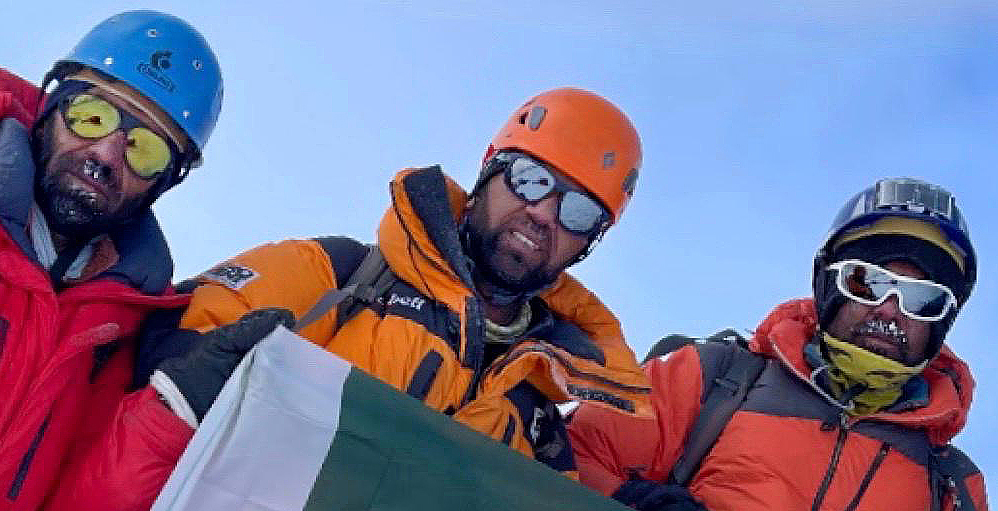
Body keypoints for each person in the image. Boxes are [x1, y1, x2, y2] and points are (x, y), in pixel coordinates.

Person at [141, 87, 652, 488]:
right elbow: (168, 348)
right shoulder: (341, 277)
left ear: (589, 242)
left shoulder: (539, 423)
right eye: (529, 178)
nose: (542, 213)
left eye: (578, 211)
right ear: (489, 167)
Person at [568, 178, 988, 511]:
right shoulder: (713, 378)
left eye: (922, 299)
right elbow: (568, 456)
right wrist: (630, 501)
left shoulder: (951, 485)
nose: (890, 309)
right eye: (867, 282)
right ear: (829, 286)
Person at [0, 10, 222, 511]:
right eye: (93, 116)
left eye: (144, 150)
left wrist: (170, 413)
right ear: (51, 105)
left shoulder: (129, 333)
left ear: (164, 182)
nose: (104, 155)